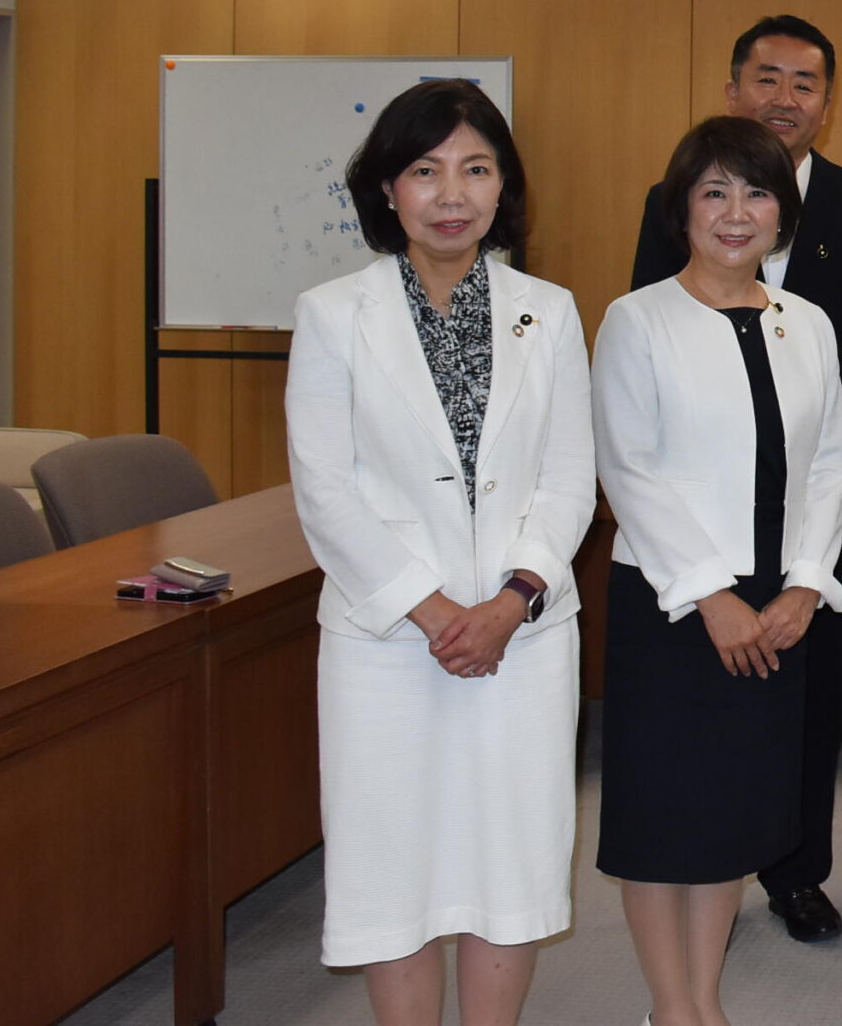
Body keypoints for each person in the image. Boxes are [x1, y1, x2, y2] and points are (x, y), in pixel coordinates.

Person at [287, 80, 595, 1026]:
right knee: (395, 868)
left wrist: (509, 602)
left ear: (504, 186)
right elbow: (324, 486)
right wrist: (431, 610)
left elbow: (569, 478)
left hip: (523, 638)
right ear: (387, 188)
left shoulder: (549, 309)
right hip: (388, 645)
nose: (451, 192)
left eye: (475, 168)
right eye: (425, 170)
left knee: (511, 860)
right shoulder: (333, 312)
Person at [629, 14, 842, 945]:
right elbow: (635, 437)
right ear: (735, 84)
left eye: (807, 82)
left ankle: (794, 869)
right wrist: (709, 586)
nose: (787, 97)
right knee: (693, 753)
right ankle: (703, 898)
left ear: (830, 98)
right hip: (696, 536)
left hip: (805, 522)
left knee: (806, 706)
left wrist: (800, 576)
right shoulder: (658, 265)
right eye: (768, 78)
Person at [595, 116, 842, 1026]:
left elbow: (832, 463)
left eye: (756, 192)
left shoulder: (809, 324)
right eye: (714, 191)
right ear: (681, 209)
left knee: (729, 822)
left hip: (778, 605)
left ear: (782, 211)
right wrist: (711, 592)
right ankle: (672, 1009)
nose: (736, 212)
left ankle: (700, 1000)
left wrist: (802, 583)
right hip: (671, 605)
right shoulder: (638, 319)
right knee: (661, 818)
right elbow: (630, 469)